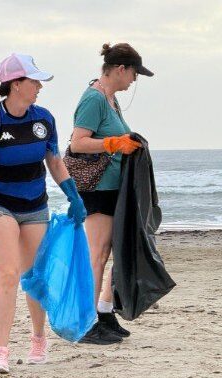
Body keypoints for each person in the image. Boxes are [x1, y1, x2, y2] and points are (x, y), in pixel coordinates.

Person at [0, 54, 87, 373]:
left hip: (35, 207)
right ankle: (1, 351)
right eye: (34, 81)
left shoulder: (44, 119)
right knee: (8, 273)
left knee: (34, 276)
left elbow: (56, 164)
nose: (39, 87)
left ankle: (37, 340)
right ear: (16, 85)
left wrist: (74, 196)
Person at [69, 43, 153, 344]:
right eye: (133, 74)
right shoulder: (93, 99)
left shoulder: (111, 99)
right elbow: (78, 143)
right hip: (96, 187)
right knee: (98, 254)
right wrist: (115, 144)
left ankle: (105, 310)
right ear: (121, 69)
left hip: (113, 185)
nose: (134, 81)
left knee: (115, 250)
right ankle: (87, 321)